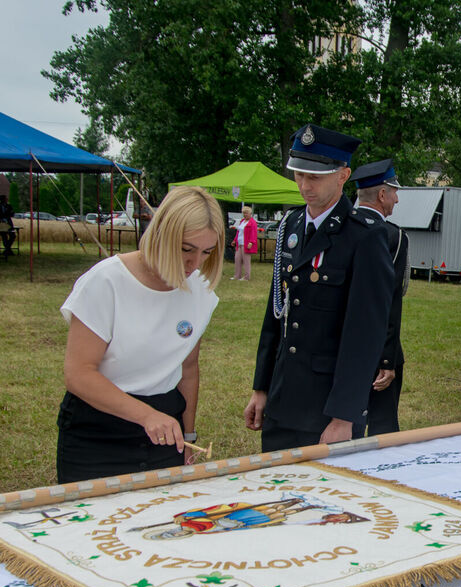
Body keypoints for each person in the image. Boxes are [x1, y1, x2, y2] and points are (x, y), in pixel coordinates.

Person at [56, 186, 224, 483]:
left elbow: (187, 369)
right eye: (186, 249)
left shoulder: (199, 289)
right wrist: (145, 415)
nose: (195, 264)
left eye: (207, 252)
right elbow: (79, 373)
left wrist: (187, 435)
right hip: (98, 429)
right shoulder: (106, 281)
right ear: (162, 234)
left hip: (164, 427)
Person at [245, 124, 393, 450]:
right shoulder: (291, 226)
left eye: (314, 177)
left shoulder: (364, 237)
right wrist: (262, 388)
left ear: (343, 175)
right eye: (299, 175)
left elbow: (365, 337)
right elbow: (276, 314)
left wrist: (344, 417)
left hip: (327, 408)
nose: (304, 185)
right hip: (283, 399)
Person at [351, 158, 410, 436]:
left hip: (338, 350)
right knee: (382, 429)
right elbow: (391, 299)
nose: (396, 200)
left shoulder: (340, 229)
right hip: (377, 349)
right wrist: (387, 359)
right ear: (383, 194)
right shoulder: (393, 237)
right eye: (395, 192)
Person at [232, 206, 258, 281]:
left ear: (250, 214)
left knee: (246, 261)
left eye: (246, 213)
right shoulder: (242, 221)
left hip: (246, 244)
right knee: (237, 259)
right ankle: (237, 275)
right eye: (244, 213)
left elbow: (254, 233)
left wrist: (251, 242)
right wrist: (234, 240)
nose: (245, 215)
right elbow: (238, 232)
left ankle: (247, 277)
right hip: (239, 243)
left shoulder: (253, 222)